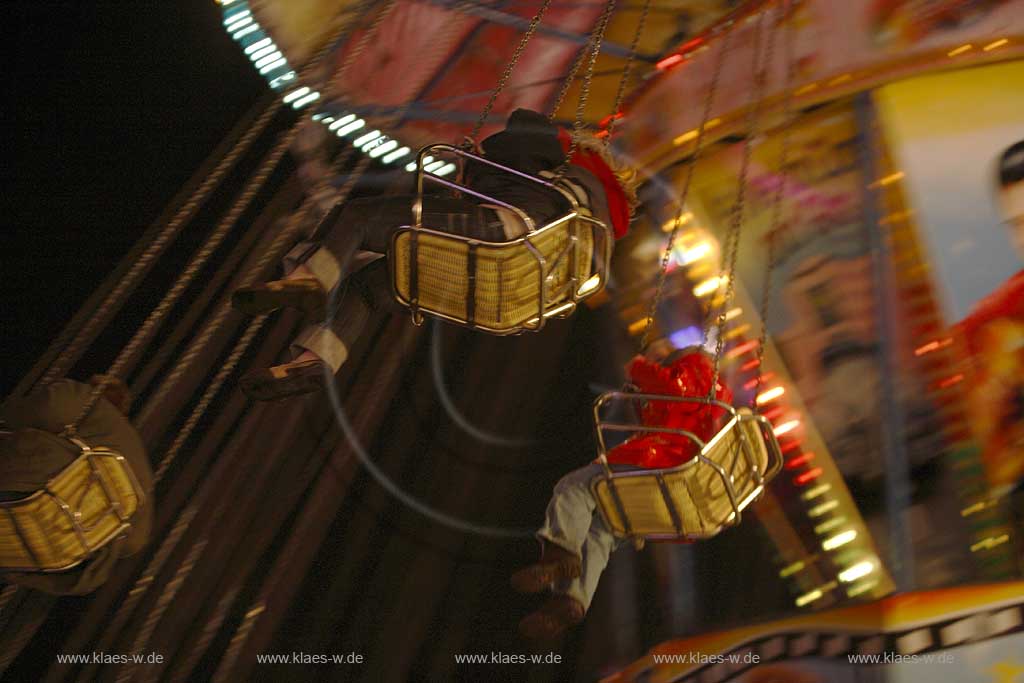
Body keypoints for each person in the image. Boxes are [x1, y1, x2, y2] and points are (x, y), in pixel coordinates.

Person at [231, 108, 640, 400]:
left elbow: (516, 135)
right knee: (371, 287)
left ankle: (308, 278)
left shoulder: (572, 161)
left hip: (506, 233)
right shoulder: (599, 221)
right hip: (513, 289)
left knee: (359, 217)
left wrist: (476, 164)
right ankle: (312, 361)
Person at [511, 345, 733, 641]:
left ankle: (559, 552)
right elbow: (662, 410)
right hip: (669, 495)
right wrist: (640, 390)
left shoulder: (699, 373)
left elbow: (674, 388)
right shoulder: (706, 407)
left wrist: (640, 365)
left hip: (657, 465)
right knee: (602, 529)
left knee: (575, 487)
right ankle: (570, 602)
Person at [0, 376, 154, 595]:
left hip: (26, 481)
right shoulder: (141, 475)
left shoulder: (93, 407)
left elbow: (47, 407)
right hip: (39, 550)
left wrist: (11, 413)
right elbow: (134, 543)